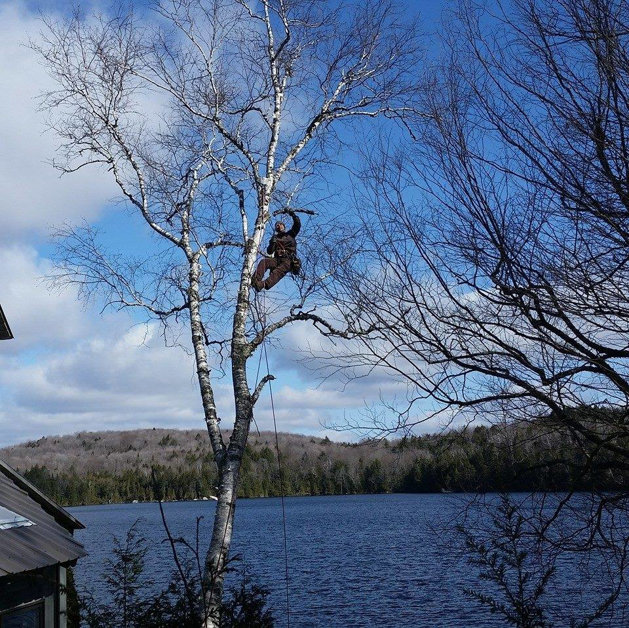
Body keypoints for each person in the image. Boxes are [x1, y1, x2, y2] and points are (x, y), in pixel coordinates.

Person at [252, 211, 301, 291]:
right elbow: (269, 251)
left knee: (277, 272)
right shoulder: (275, 238)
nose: (278, 226)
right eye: (277, 225)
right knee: (264, 262)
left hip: (288, 260)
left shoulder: (290, 234)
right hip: (277, 259)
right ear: (276, 229)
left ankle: (263, 284)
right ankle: (255, 279)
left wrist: (293, 214)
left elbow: (297, 225)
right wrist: (272, 243)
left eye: (280, 224)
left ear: (284, 227)